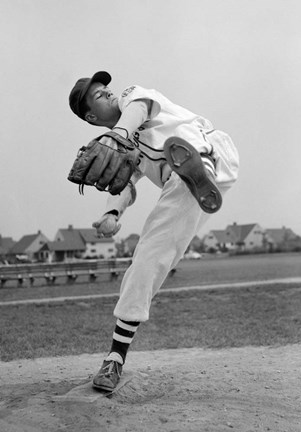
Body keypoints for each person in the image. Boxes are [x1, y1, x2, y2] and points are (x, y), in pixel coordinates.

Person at [69, 71, 239, 391]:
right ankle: (115, 359)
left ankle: (196, 166)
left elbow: (140, 108)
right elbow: (125, 182)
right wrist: (111, 213)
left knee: (178, 152)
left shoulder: (131, 97)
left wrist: (118, 133)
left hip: (206, 144)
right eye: (98, 95)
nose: (108, 93)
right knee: (148, 257)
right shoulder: (127, 147)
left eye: (106, 88)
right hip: (187, 183)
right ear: (91, 116)